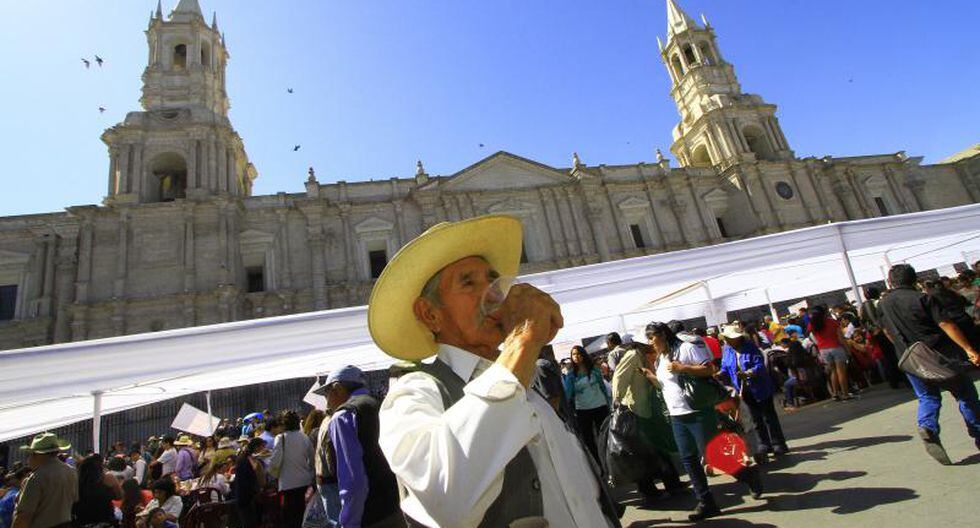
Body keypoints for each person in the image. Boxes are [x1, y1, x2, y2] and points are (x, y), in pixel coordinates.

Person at [370, 214, 620, 527]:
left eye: (492, 281)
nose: (492, 293)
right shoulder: (414, 392)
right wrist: (524, 341)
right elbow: (444, 496)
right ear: (430, 314)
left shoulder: (525, 380)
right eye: (469, 283)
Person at [878, 264, 980, 464]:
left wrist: (902, 348)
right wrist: (969, 349)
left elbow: (887, 331)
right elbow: (946, 324)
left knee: (927, 397)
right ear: (913, 279)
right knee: (965, 394)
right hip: (940, 355)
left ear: (891, 281)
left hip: (909, 359)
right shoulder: (923, 298)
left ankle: (928, 426)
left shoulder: (884, 304)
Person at [646, 321, 721, 521]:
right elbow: (665, 386)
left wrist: (683, 367)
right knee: (688, 458)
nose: (651, 343)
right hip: (677, 415)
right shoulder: (660, 359)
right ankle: (706, 501)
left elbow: (709, 369)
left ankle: (748, 474)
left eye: (652, 337)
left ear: (662, 335)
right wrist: (652, 377)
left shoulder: (685, 347)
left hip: (697, 410)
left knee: (714, 453)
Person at [312, 365, 403, 528]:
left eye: (327, 395)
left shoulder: (343, 416)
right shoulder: (381, 405)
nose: (327, 403)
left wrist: (349, 522)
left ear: (337, 388)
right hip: (395, 506)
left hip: (369, 515)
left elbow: (353, 480)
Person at [610, 340, 684, 503]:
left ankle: (673, 483)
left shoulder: (653, 356)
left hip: (650, 410)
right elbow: (619, 377)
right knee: (641, 453)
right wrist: (617, 400)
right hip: (636, 410)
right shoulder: (633, 355)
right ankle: (648, 491)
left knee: (659, 448)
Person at [719, 326, 788, 457]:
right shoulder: (727, 350)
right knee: (755, 418)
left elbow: (759, 364)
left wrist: (749, 373)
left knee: (769, 416)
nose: (729, 341)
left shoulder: (750, 347)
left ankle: (778, 443)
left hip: (760, 386)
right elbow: (725, 367)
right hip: (743, 390)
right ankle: (764, 444)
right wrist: (719, 373)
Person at [10, 433, 76, 528]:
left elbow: (23, 516)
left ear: (37, 455)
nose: (28, 459)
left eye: (30, 455)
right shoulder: (71, 472)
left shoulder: (37, 477)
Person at [561, 345, 612, 462]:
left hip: (600, 406)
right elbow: (568, 394)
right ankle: (598, 463)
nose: (576, 356)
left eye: (578, 353)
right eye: (573, 354)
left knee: (604, 435)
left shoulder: (594, 370)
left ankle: (609, 461)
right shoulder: (571, 375)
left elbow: (602, 387)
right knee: (588, 439)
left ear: (583, 355)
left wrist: (608, 404)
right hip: (583, 409)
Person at [269, 410, 315, 528]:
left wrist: (272, 473)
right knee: (303, 516)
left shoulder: (281, 438)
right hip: (305, 481)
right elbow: (312, 460)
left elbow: (275, 461)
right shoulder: (305, 437)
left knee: (289, 518)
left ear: (284, 424)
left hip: (288, 483)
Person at [808, 305, 854, 400]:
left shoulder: (812, 325)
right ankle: (845, 394)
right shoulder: (832, 322)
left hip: (823, 350)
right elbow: (841, 338)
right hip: (836, 347)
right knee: (841, 372)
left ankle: (835, 394)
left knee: (833, 371)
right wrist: (848, 350)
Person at [72, 453, 123, 526]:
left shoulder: (75, 480)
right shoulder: (108, 478)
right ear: (100, 466)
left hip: (82, 521)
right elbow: (119, 496)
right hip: (105, 520)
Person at [232, 438, 267, 528]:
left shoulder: (253, 459)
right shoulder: (244, 460)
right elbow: (245, 480)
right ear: (256, 447)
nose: (264, 449)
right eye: (262, 447)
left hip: (252, 495)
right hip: (246, 496)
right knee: (250, 522)